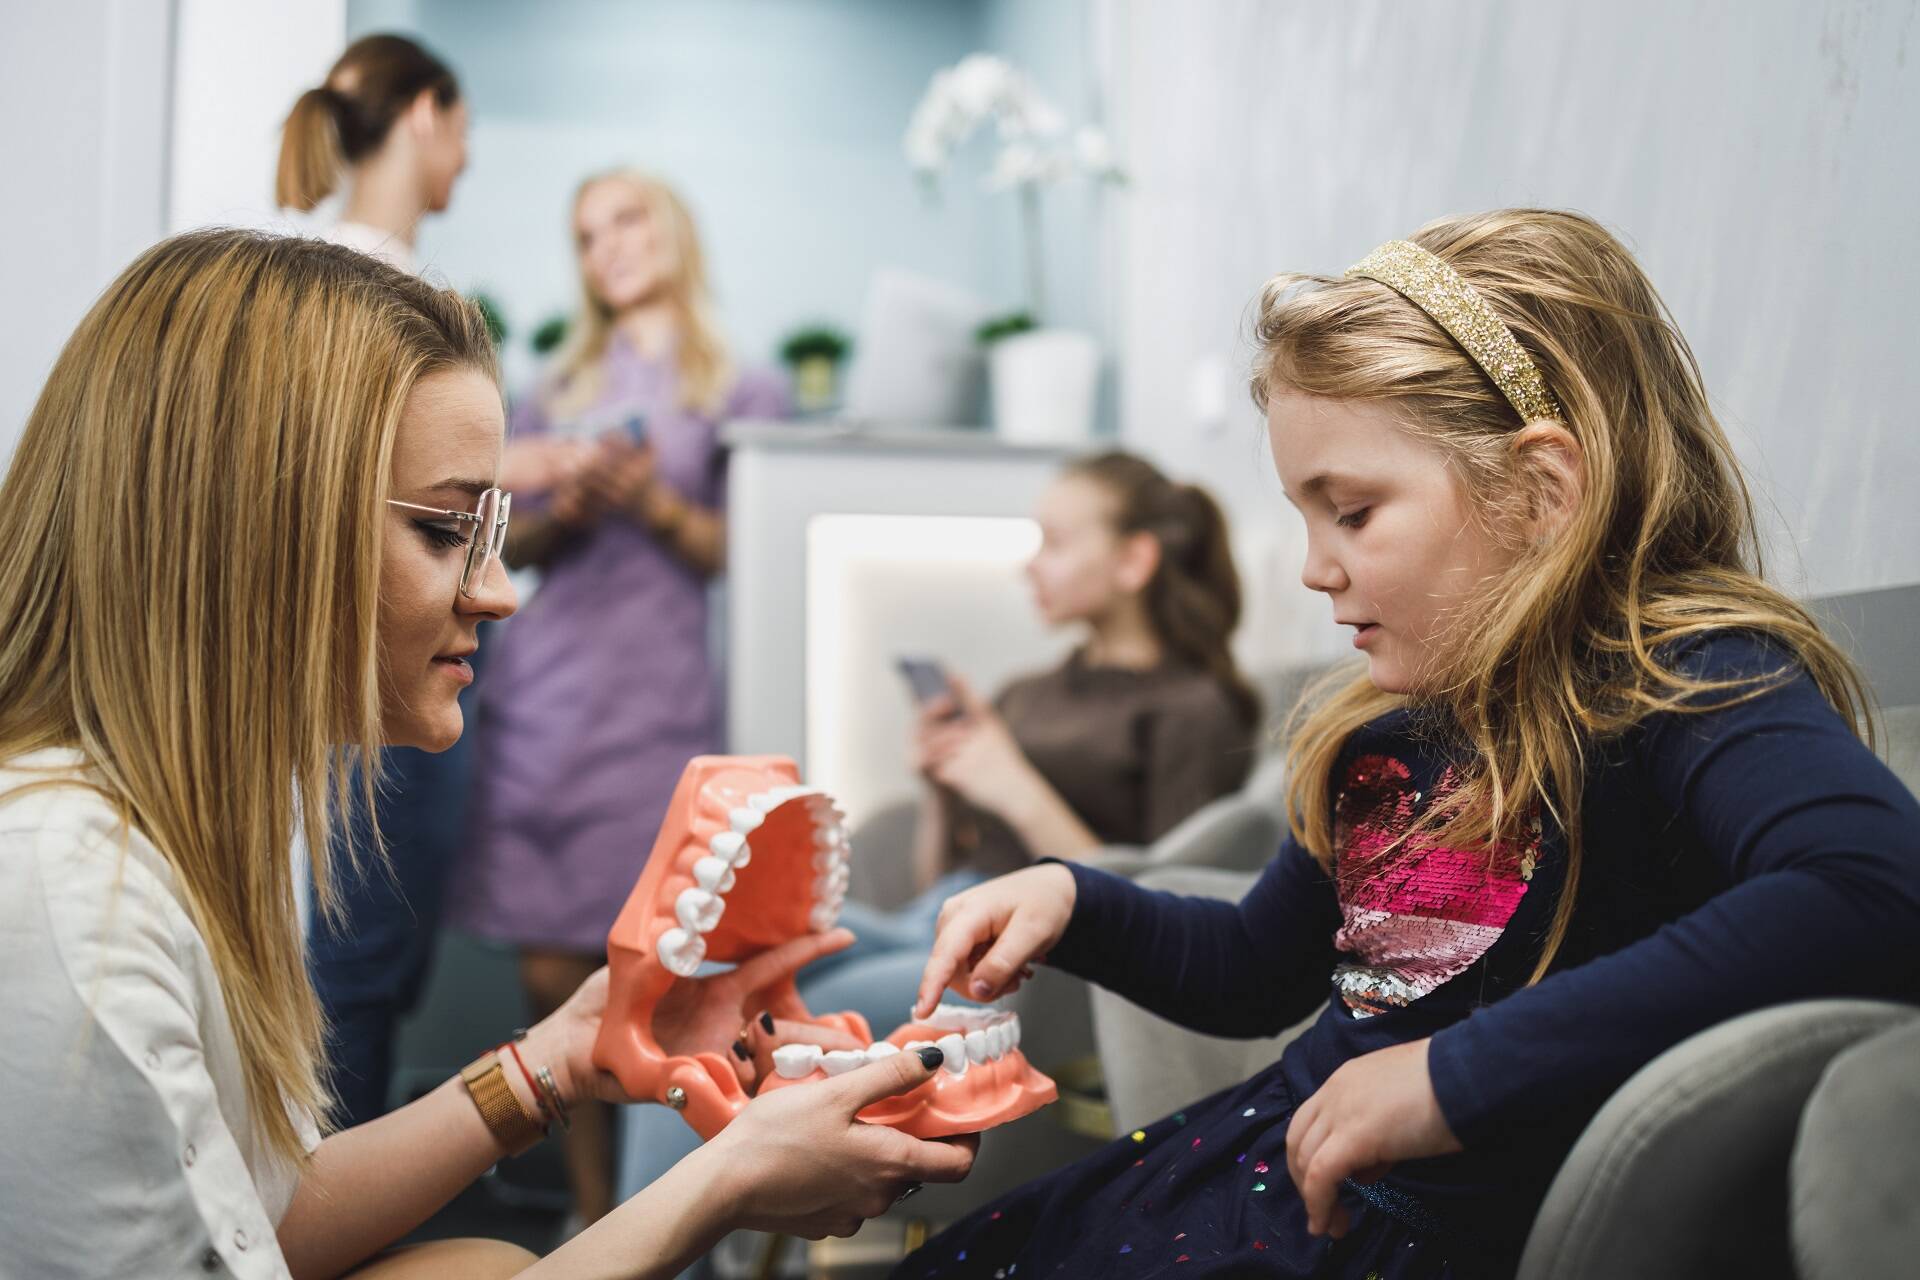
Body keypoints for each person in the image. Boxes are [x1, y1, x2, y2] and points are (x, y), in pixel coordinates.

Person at [895, 210, 1920, 1279]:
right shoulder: (1397, 736)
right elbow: (1251, 970)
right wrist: (1077, 900)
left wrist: (1454, 1075)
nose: (1314, 568)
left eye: (1352, 512)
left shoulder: (1682, 680)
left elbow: (1874, 884)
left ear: (1539, 492)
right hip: (1254, 1184)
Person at [0, 229, 973, 1280]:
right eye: (444, 530)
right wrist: (725, 1179)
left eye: (493, 529)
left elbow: (249, 1215)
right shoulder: (70, 893)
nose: (499, 592)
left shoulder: (172, 833)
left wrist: (560, 1054)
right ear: (254, 528)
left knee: (478, 1259)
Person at [451, 168, 790, 1228]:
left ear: (673, 227)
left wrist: (650, 503)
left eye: (627, 220)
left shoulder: (745, 386)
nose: (610, 247)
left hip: (657, 697)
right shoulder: (553, 387)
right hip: (549, 691)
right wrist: (570, 507)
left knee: (654, 961)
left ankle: (661, 1207)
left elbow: (742, 549)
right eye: (588, 235)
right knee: (549, 963)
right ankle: (590, 1206)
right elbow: (511, 543)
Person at [797, 450, 1265, 1036]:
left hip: (1035, 959)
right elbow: (940, 878)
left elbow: (1165, 912)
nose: (1030, 567)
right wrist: (940, 788)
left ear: (1133, 560)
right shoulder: (1024, 694)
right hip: (942, 917)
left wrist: (1014, 786)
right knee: (753, 938)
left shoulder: (1193, 709)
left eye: (1055, 545)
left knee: (783, 994)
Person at [275, 32, 482, 1130]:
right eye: (463, 131)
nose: (466, 159)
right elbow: (359, 493)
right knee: (362, 956)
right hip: (377, 646)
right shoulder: (360, 290)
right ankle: (332, 1192)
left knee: (373, 953)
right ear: (425, 113)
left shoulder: (358, 274)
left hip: (386, 644)